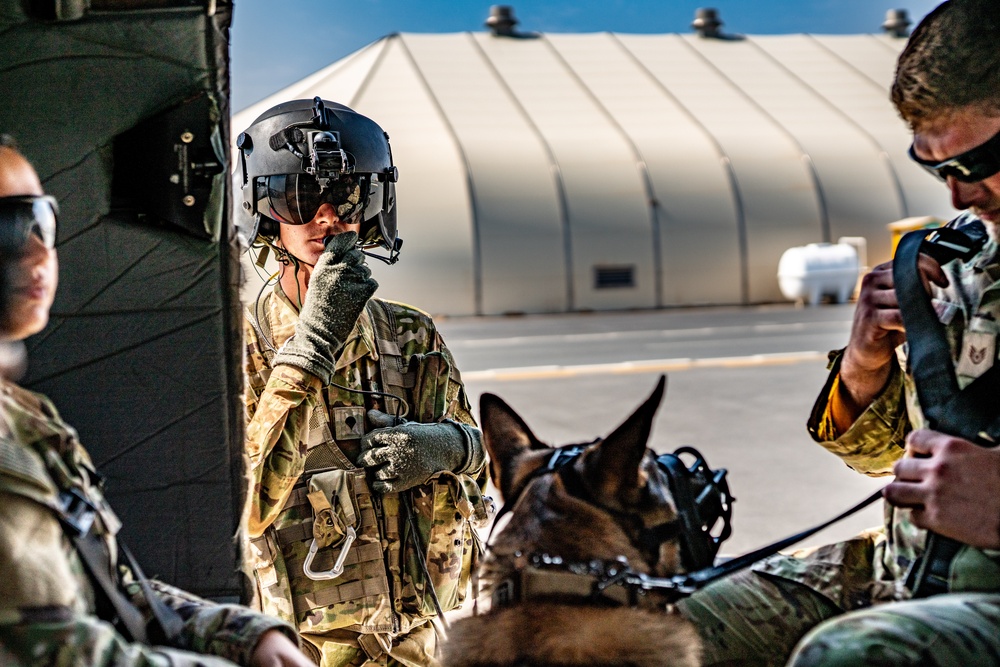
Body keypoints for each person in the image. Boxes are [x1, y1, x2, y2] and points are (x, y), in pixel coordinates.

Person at [678, 1, 1000, 665]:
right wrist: (864, 363)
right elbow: (886, 460)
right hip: (900, 573)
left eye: (978, 163)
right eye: (935, 168)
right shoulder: (962, 263)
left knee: (848, 655)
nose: (958, 197)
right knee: (665, 630)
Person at [0, 136, 314, 666]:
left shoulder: (26, 419)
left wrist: (247, 636)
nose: (39, 252)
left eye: (41, 222)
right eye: (7, 226)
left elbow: (113, 586)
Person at [236, 99, 489, 667]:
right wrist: (312, 344)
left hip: (419, 644)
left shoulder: (410, 335)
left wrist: (450, 447)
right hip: (302, 650)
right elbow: (244, 505)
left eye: (347, 197)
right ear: (266, 210)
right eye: (298, 198)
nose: (326, 217)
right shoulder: (238, 350)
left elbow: (483, 463)